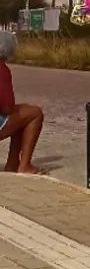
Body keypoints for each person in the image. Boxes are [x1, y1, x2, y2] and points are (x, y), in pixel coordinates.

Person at [0, 32, 44, 174]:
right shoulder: (2, 69)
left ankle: (13, 164)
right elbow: (7, 107)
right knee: (34, 113)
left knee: (23, 114)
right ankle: (24, 165)